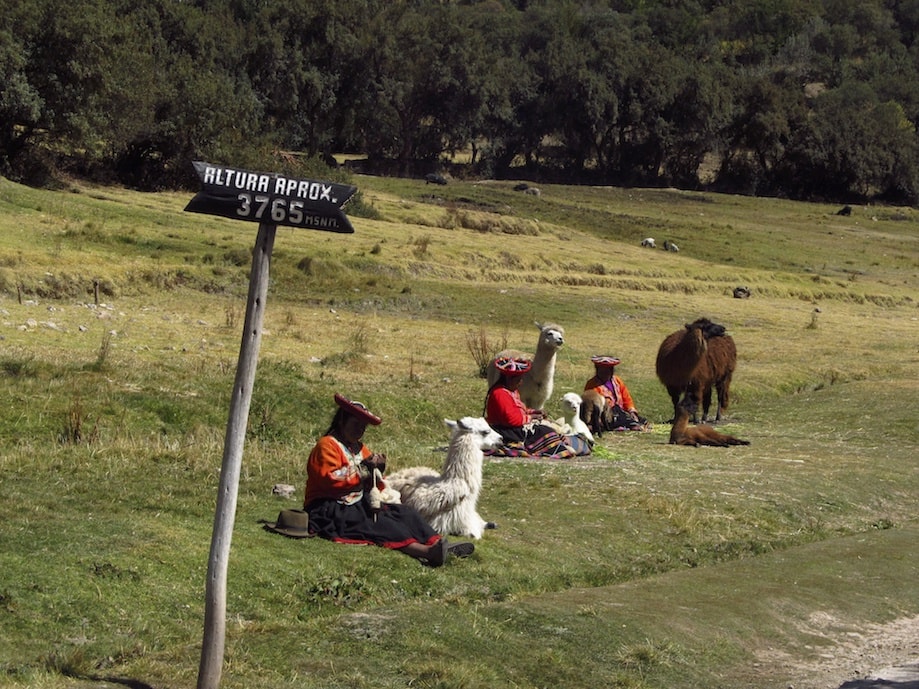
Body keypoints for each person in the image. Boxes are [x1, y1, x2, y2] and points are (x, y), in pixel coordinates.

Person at [304, 393, 473, 567]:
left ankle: (437, 543)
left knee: (405, 514)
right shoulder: (327, 445)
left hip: (356, 503)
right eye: (356, 424)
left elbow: (372, 481)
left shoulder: (359, 448)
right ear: (342, 421)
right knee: (381, 524)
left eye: (363, 427)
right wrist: (365, 469)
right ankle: (427, 552)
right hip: (328, 507)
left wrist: (376, 470)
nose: (360, 430)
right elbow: (331, 478)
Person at [484, 357, 590, 457]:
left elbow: (519, 410)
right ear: (508, 378)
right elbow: (511, 419)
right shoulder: (499, 394)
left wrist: (534, 412)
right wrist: (531, 418)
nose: (520, 382)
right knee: (546, 432)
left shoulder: (511, 391)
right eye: (518, 379)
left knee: (549, 429)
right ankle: (560, 449)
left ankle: (570, 445)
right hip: (508, 431)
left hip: (516, 428)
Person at [583, 355, 649, 431]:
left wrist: (632, 411)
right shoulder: (592, 385)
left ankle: (632, 422)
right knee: (618, 415)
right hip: (605, 415)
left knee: (638, 419)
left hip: (621, 412)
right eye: (602, 370)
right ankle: (631, 425)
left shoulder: (617, 381)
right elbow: (589, 405)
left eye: (607, 370)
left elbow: (626, 399)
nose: (605, 373)